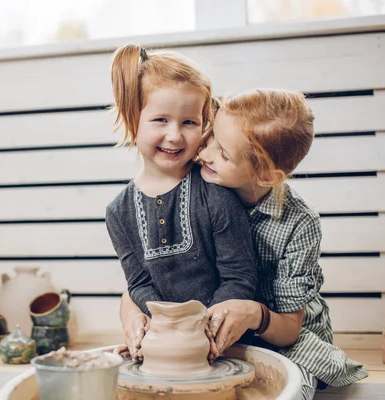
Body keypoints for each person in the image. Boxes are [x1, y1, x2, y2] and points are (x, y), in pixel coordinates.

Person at [121, 89, 367, 399]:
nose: (205, 153)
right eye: (210, 137)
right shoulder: (192, 186)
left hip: (280, 333)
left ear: (266, 176)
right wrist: (129, 307)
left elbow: (290, 328)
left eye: (223, 153)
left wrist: (253, 314)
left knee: (287, 389)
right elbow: (153, 270)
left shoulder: (299, 223)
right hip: (209, 329)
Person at [106, 44, 258, 362]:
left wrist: (205, 332)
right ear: (132, 118)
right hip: (164, 347)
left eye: (189, 122)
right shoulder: (118, 213)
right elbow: (139, 284)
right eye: (160, 120)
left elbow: (239, 277)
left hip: (224, 345)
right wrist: (152, 329)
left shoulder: (216, 195)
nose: (175, 136)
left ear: (205, 123)